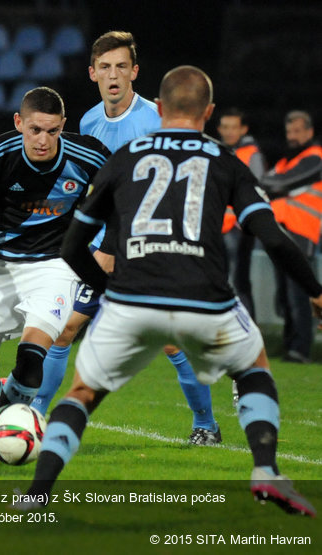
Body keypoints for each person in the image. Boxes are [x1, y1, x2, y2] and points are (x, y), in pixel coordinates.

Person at [20, 65, 319, 517]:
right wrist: (316, 293)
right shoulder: (225, 159)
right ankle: (265, 469)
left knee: (83, 393)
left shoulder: (126, 158)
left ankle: (36, 496)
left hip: (131, 300)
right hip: (206, 298)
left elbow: (72, 245)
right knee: (253, 366)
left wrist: (108, 288)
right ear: (210, 112)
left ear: (159, 108)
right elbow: (274, 238)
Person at [30, 31, 221, 447]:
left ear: (134, 71)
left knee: (169, 341)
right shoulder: (88, 122)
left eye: (121, 66)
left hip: (149, 244)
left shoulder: (157, 118)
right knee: (64, 330)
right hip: (102, 246)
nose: (112, 75)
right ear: (92, 73)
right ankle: (35, 417)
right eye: (105, 67)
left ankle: (205, 424)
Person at [0, 86, 110, 463]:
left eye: (52, 131)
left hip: (57, 266)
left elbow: (124, 192)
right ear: (19, 124)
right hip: (3, 266)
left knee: (32, 358)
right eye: (34, 130)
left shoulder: (89, 154)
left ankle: (1, 431)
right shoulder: (2, 152)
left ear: (63, 125)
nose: (43, 140)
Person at [259, 110, 322, 364]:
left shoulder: (314, 157)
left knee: (298, 292)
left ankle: (300, 349)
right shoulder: (289, 160)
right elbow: (268, 181)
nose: (292, 136)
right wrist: (273, 183)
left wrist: (274, 183)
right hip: (283, 231)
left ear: (309, 132)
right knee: (286, 293)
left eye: (298, 131)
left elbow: (273, 184)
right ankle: (290, 346)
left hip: (302, 230)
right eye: (289, 132)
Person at [217, 107, 265, 319]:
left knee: (239, 282)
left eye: (233, 127)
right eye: (225, 127)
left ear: (243, 129)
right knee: (220, 281)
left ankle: (247, 332)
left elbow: (257, 188)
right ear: (219, 129)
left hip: (238, 228)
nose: (229, 132)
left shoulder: (251, 154)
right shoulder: (217, 152)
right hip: (218, 227)